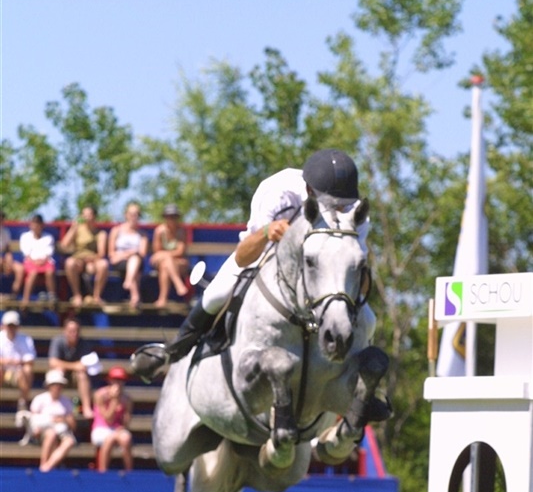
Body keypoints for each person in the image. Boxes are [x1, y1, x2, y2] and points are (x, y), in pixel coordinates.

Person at [132, 149, 376, 382]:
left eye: (343, 204)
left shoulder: (354, 212)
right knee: (217, 292)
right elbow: (243, 257)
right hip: (266, 260)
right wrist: (267, 231)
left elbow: (359, 277)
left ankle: (362, 388)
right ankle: (173, 350)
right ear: (310, 190)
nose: (338, 210)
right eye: (332, 203)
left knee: (370, 320)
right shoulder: (278, 192)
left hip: (324, 276)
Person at [25, 369, 77, 473]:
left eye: (60, 385)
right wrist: (37, 429)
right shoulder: (39, 399)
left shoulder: (67, 401)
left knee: (69, 442)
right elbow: (32, 420)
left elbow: (73, 425)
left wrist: (64, 420)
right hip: (43, 432)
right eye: (55, 384)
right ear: (49, 386)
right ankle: (43, 464)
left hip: (62, 432)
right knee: (51, 434)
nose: (57, 387)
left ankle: (47, 466)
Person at [48, 317, 99, 419]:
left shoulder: (83, 343)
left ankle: (86, 407)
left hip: (76, 376)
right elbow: (53, 362)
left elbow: (86, 365)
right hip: (62, 374)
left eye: (76, 331)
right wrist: (75, 366)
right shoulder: (58, 341)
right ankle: (54, 406)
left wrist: (76, 367)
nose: (74, 334)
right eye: (71, 331)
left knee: (82, 375)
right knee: (58, 372)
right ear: (64, 331)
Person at [58, 205, 109, 306]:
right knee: (69, 263)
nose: (86, 217)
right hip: (78, 260)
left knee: (104, 264)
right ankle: (77, 295)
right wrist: (73, 227)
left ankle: (97, 296)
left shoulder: (100, 233)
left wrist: (91, 259)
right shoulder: (77, 229)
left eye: (88, 214)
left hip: (93, 260)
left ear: (94, 216)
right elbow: (64, 245)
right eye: (84, 214)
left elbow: (101, 253)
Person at [91, 366, 133, 473]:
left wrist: (123, 426)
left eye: (120, 380)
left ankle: (129, 471)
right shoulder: (100, 395)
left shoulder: (127, 399)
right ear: (110, 380)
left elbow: (126, 421)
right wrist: (114, 400)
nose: (118, 383)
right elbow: (108, 419)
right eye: (115, 380)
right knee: (109, 439)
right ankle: (103, 472)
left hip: (117, 429)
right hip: (101, 428)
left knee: (126, 438)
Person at [108, 201, 148, 309]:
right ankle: (135, 295)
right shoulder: (116, 231)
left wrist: (126, 254)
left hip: (136, 262)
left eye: (136, 214)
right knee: (133, 262)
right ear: (126, 215)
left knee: (134, 260)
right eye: (131, 214)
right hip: (119, 262)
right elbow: (111, 253)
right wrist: (130, 253)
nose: (134, 217)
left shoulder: (142, 234)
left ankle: (129, 282)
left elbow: (142, 253)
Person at [149, 204, 189, 307]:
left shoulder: (182, 231)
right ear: (165, 217)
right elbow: (157, 251)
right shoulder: (159, 231)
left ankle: (162, 299)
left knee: (165, 266)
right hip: (162, 261)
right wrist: (168, 255)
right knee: (166, 263)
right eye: (169, 216)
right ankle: (178, 284)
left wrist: (166, 255)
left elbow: (181, 252)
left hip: (178, 262)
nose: (172, 219)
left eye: (174, 216)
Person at [0, 310, 36, 412]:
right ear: (4, 326)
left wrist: (16, 362)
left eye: (13, 326)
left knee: (27, 370)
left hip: (18, 373)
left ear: (18, 326)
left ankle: (22, 402)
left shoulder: (25, 339)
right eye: (9, 326)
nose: (11, 328)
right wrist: (7, 361)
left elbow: (30, 360)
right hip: (3, 371)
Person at [19, 214, 57, 306]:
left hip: (45, 262)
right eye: (33, 224)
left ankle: (52, 296)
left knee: (50, 271)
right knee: (33, 273)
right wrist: (34, 262)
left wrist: (42, 261)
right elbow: (26, 254)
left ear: (42, 225)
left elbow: (48, 254)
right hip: (30, 262)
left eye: (38, 224)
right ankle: (26, 299)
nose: (35, 226)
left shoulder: (48, 237)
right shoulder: (25, 237)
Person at [0, 210, 24, 297]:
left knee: (20, 269)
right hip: (1, 261)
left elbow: (8, 250)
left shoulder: (5, 232)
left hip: (4, 260)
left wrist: (9, 261)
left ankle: (14, 296)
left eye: (2, 219)